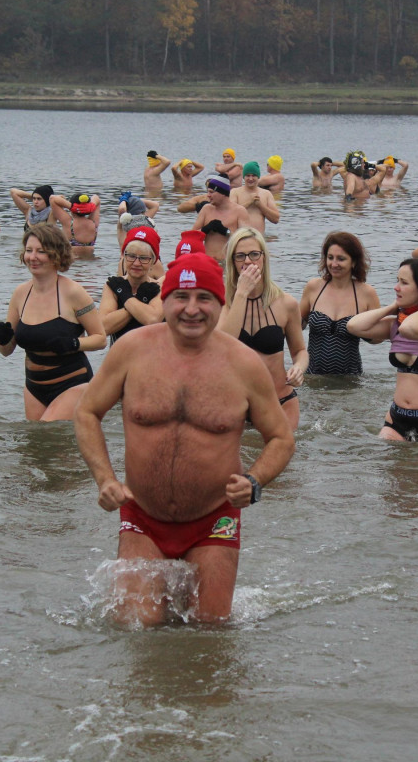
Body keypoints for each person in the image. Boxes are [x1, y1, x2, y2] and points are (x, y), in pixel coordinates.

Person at [74, 252, 295, 627]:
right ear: (166, 300)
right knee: (136, 629)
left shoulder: (243, 364)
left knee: (211, 633)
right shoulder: (132, 350)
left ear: (220, 302)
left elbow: (281, 437)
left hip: (214, 519)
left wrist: (254, 482)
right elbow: (86, 412)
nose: (192, 309)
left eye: (204, 298)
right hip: (143, 516)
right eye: (181, 297)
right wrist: (105, 480)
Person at [0, 224, 106, 421]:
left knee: (48, 433)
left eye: (41, 252)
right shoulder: (20, 294)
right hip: (34, 386)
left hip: (72, 383)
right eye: (29, 251)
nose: (32, 257)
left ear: (56, 255)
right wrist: (2, 340)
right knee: (37, 447)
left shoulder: (74, 292)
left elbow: (100, 339)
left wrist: (73, 343)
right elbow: (7, 351)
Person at [346, 258, 418, 442]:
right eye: (397, 280)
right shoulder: (397, 323)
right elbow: (353, 326)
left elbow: (409, 329)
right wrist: (392, 307)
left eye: (404, 283)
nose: (396, 287)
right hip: (396, 418)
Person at [218, 228, 308, 430]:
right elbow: (222, 347)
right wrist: (241, 293)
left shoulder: (286, 303)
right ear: (232, 261)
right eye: (240, 256)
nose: (248, 262)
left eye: (254, 254)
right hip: (236, 406)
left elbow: (300, 351)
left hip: (281, 402)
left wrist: (299, 369)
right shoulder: (222, 303)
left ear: (264, 258)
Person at [299, 231, 381, 375]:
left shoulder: (367, 293)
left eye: (341, 259)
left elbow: (377, 338)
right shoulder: (313, 287)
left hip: (350, 380)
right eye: (330, 258)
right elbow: (297, 325)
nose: (334, 264)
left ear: (354, 262)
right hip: (313, 377)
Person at [101, 227, 164, 344]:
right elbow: (103, 327)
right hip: (120, 358)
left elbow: (152, 319)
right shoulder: (112, 286)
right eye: (131, 256)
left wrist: (124, 295)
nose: (136, 263)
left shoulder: (160, 288)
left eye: (144, 258)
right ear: (124, 257)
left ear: (153, 262)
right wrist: (140, 300)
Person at [192, 175, 250, 260]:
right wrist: (205, 229)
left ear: (222, 193)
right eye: (208, 192)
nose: (208, 195)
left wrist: (226, 231)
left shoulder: (240, 211)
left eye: (211, 192)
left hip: (228, 263)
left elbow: (246, 242)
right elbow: (190, 237)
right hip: (208, 261)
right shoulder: (206, 209)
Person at [231, 161, 281, 233]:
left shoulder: (266, 194)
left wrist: (260, 205)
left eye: (253, 175)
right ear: (243, 177)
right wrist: (249, 202)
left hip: (259, 238)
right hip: (240, 238)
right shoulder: (235, 192)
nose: (250, 179)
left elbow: (276, 219)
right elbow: (230, 215)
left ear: (258, 177)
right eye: (248, 176)